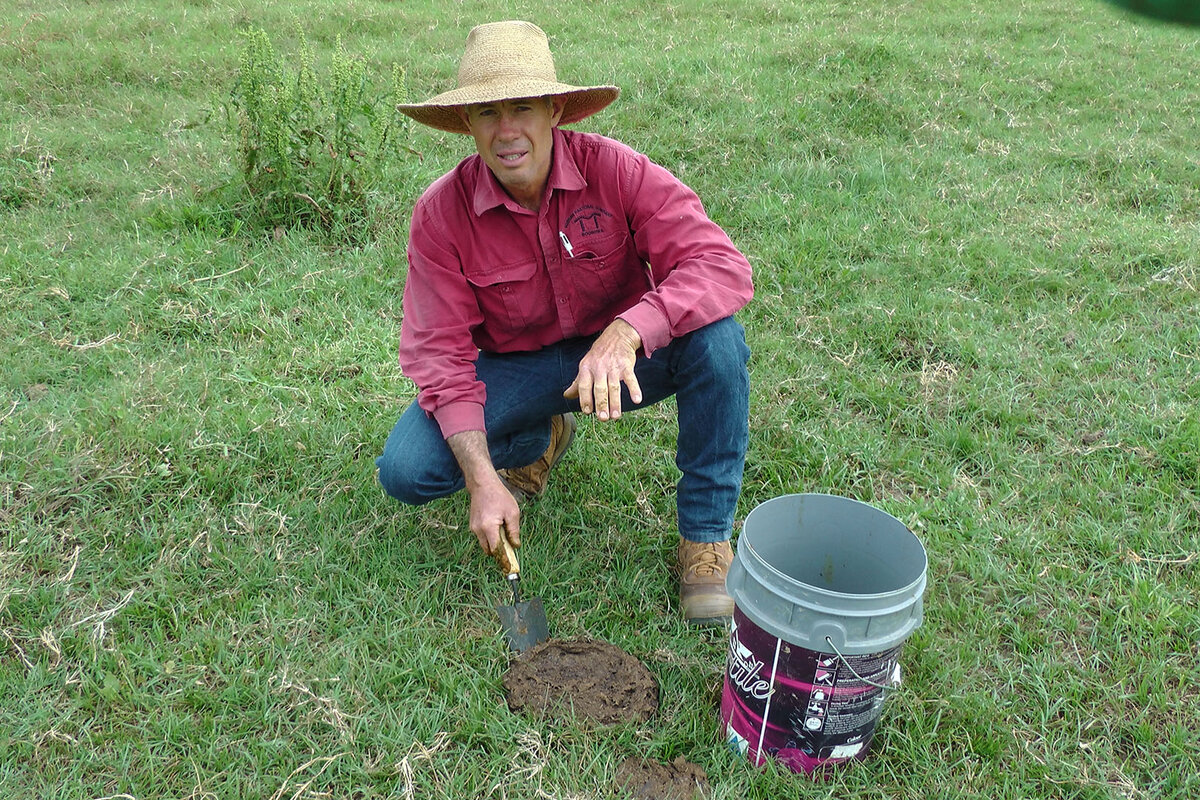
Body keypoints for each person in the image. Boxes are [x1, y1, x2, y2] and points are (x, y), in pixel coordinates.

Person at [377, 20, 753, 626]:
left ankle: (705, 539)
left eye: (522, 108)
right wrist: (480, 477)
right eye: (486, 113)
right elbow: (441, 355)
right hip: (517, 369)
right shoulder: (440, 215)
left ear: (554, 110)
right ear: (466, 125)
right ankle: (533, 440)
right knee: (407, 472)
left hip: (625, 362)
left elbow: (720, 265)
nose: (506, 132)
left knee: (718, 340)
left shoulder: (618, 171)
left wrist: (629, 329)